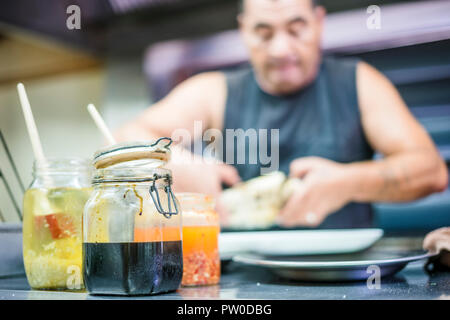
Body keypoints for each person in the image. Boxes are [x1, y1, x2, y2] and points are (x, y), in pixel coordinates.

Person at [115, 0, 448, 229]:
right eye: (264, 32)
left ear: (318, 23)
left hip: (344, 275)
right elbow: (123, 138)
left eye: (296, 28)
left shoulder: (360, 82)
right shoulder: (213, 90)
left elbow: (431, 172)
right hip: (238, 280)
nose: (280, 50)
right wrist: (179, 164)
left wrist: (349, 183)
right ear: (244, 30)